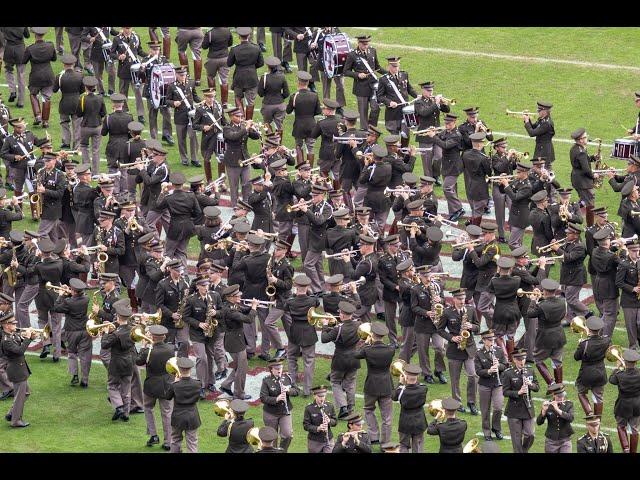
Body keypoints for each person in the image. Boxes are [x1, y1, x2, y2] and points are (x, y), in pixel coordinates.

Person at [439, 288, 480, 415]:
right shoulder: (447, 312)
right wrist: (452, 338)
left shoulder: (471, 310)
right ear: (454, 299)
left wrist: (471, 326)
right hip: (454, 350)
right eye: (460, 299)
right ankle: (457, 402)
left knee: (473, 376)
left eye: (463, 299)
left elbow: (478, 328)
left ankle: (471, 402)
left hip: (469, 349)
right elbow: (440, 329)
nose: (462, 301)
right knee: (455, 379)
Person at [354, 322, 395, 448]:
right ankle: (386, 442)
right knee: (387, 417)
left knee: (368, 410)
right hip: (387, 385)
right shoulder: (390, 350)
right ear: (383, 336)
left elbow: (356, 354)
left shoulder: (367, 350)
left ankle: (374, 436)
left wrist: (365, 342)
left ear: (372, 334)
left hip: (371, 386)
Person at [135, 324, 174, 451]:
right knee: (167, 413)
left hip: (151, 385)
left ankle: (153, 435)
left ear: (152, 336)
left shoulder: (148, 351)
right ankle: (168, 441)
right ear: (163, 336)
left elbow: (138, 361)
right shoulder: (170, 349)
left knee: (148, 408)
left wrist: (143, 346)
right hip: (167, 385)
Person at [183, 277, 221, 398]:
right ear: (198, 286)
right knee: (202, 358)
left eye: (207, 285)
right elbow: (185, 317)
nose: (206, 288)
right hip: (197, 334)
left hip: (211, 332)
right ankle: (200, 385)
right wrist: (199, 324)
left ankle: (210, 382)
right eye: (203, 286)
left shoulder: (215, 296)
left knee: (210, 357)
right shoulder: (191, 299)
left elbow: (222, 310)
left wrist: (216, 313)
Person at [155, 172, 203, 268]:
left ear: (172, 185)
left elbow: (158, 205)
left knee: (168, 253)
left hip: (175, 228)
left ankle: (164, 272)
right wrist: (189, 217)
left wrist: (162, 191)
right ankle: (183, 274)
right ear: (182, 184)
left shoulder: (169, 198)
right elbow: (198, 212)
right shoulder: (191, 195)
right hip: (188, 227)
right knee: (181, 252)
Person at [283, 274, 320, 396]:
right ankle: (307, 389)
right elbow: (316, 302)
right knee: (309, 361)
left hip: (295, 331)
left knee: (291, 357)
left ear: (295, 286)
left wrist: (294, 294)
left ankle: (293, 384)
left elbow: (285, 307)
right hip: (309, 331)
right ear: (308, 286)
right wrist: (307, 292)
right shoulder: (312, 300)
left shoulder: (290, 301)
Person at [219, 285, 257, 400]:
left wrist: (251, 307)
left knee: (240, 366)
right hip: (235, 342)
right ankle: (239, 393)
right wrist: (254, 308)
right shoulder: (230, 310)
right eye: (238, 295)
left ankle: (226, 385)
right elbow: (248, 319)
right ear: (231, 297)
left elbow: (242, 309)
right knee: (242, 369)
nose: (240, 296)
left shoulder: (232, 305)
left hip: (236, 340)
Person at [101, 301, 136, 422]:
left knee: (112, 385)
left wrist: (106, 332)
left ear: (117, 317)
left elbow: (105, 345)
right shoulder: (133, 330)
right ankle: (126, 414)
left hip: (116, 362)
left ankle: (119, 407)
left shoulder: (116, 334)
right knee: (126, 389)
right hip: (129, 361)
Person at [53, 278, 91, 387]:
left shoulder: (68, 302)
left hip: (71, 331)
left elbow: (56, 308)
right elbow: (76, 297)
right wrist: (69, 293)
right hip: (85, 330)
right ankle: (85, 380)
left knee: (72, 353)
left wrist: (61, 295)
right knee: (85, 355)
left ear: (73, 290)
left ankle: (74, 375)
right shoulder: (86, 299)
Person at [425, 113, 463, 221]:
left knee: (447, 187)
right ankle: (454, 211)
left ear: (454, 123)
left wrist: (433, 136)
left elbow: (445, 145)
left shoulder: (456, 135)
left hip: (454, 166)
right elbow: (441, 137)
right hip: (446, 165)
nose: (447, 125)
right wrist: (434, 132)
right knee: (452, 189)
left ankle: (459, 208)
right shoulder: (447, 131)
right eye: (446, 123)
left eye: (449, 123)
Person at [342, 34, 385, 130]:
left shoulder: (372, 51)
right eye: (364, 44)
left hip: (374, 86)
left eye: (367, 44)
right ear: (359, 43)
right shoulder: (352, 54)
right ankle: (365, 132)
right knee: (363, 112)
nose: (366, 46)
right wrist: (357, 75)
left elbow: (377, 67)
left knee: (376, 108)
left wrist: (388, 73)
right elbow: (346, 71)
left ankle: (372, 128)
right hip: (361, 87)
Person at [502, 348, 540, 453]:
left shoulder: (530, 370)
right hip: (514, 410)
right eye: (519, 359)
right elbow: (505, 392)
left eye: (523, 359)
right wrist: (518, 393)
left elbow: (537, 387)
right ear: (514, 360)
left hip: (528, 408)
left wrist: (530, 384)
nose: (521, 361)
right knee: (516, 439)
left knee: (530, 434)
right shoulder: (508, 373)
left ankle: (523, 451)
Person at [222, 107, 261, 207]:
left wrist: (254, 128)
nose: (240, 118)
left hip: (245, 159)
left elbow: (256, 137)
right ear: (231, 117)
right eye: (237, 116)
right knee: (234, 186)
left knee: (247, 184)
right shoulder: (227, 128)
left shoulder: (243, 126)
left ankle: (246, 203)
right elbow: (234, 137)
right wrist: (246, 128)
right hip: (233, 161)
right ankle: (235, 205)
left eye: (241, 116)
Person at [1, 312, 34, 428]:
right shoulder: (6, 340)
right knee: (20, 395)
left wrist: (31, 337)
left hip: (19, 368)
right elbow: (20, 351)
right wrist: (27, 338)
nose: (15, 325)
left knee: (25, 393)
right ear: (6, 325)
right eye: (13, 323)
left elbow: (21, 343)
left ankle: (11, 413)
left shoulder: (12, 335)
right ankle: (16, 421)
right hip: (16, 370)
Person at [414, 81, 450, 184]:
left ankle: (436, 175)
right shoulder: (418, 102)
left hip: (437, 134)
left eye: (431, 90)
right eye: (428, 90)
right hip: (425, 135)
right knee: (427, 160)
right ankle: (428, 180)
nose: (430, 92)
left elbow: (446, 110)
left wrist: (443, 103)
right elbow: (424, 113)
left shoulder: (433, 101)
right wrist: (436, 103)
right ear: (423, 90)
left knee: (439, 156)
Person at [475, 329, 508, 440]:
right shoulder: (479, 353)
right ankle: (486, 432)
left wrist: (498, 366)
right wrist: (489, 371)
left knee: (498, 407)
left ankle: (496, 428)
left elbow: (505, 365)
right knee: (485, 410)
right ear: (483, 340)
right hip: (484, 385)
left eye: (493, 339)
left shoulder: (498, 351)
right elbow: (478, 371)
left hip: (497, 384)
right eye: (489, 339)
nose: (492, 341)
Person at [260, 359, 299, 452]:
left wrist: (288, 390)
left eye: (280, 368)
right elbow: (263, 398)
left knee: (288, 435)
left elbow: (297, 391)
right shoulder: (266, 381)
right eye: (276, 368)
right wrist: (276, 399)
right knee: (272, 438)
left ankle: (282, 451)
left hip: (285, 412)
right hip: (270, 413)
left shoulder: (287, 378)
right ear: (271, 369)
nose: (279, 370)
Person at [574, 317, 609, 417]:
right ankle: (597, 424)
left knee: (581, 393)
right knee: (598, 398)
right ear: (599, 329)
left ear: (588, 329)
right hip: (600, 373)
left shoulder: (584, 344)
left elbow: (576, 357)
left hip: (586, 374)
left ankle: (589, 413)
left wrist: (579, 344)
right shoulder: (606, 341)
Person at [591, 228, 622, 339]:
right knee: (610, 315)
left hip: (599, 284)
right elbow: (623, 264)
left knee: (605, 313)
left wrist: (614, 247)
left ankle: (599, 335)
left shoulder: (595, 251)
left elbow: (606, 252)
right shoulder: (611, 257)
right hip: (609, 287)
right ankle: (605, 338)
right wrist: (623, 249)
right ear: (607, 241)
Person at [109, 27, 145, 122]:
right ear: (122, 28)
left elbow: (139, 51)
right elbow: (111, 53)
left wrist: (148, 56)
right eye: (126, 28)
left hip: (135, 71)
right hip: (124, 70)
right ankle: (124, 112)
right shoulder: (117, 39)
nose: (127, 30)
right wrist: (118, 56)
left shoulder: (136, 37)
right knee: (123, 93)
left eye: (129, 28)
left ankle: (140, 115)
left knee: (138, 94)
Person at [227, 27, 264, 119]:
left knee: (238, 98)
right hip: (252, 77)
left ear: (239, 36)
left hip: (239, 77)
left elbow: (229, 63)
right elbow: (261, 63)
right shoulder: (256, 48)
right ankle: (248, 123)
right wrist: (252, 67)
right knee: (250, 102)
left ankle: (241, 120)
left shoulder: (235, 49)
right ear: (249, 35)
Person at [167, 357, 202, 453]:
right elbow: (199, 397)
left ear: (178, 368)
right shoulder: (197, 384)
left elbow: (167, 396)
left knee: (175, 440)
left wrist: (175, 382)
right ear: (190, 369)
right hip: (192, 417)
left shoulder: (175, 385)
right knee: (192, 443)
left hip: (178, 417)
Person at [168, 66, 201, 167]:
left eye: (185, 75)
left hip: (191, 115)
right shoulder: (172, 86)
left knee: (193, 137)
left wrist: (201, 102)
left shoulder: (191, 83)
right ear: (176, 75)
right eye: (181, 75)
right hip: (180, 115)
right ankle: (184, 158)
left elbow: (194, 96)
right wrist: (174, 103)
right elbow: (167, 100)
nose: (183, 77)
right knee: (181, 138)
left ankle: (195, 158)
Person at [608, 348, 640, 453]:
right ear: (635, 362)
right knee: (634, 429)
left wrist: (617, 367)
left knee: (621, 426)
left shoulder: (620, 375)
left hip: (623, 406)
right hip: (637, 405)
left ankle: (626, 449)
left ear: (625, 361)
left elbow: (611, 380)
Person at [392, 363, 427, 453]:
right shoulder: (423, 388)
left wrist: (401, 382)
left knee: (403, 445)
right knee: (418, 445)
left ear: (405, 376)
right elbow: (417, 385)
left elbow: (394, 396)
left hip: (405, 422)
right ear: (418, 376)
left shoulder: (401, 391)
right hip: (419, 421)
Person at [193, 88, 226, 182]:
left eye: (212, 96)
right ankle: (210, 180)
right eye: (209, 97)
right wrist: (203, 127)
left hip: (219, 137)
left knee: (222, 159)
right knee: (207, 159)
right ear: (205, 97)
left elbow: (223, 120)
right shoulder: (200, 109)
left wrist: (229, 127)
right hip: (208, 138)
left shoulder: (218, 106)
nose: (211, 99)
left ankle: (221, 181)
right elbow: (194, 125)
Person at [102, 96, 133, 194]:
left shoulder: (108, 118)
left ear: (113, 104)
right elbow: (131, 133)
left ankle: (114, 192)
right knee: (124, 171)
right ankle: (124, 192)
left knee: (112, 170)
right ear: (123, 104)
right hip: (125, 146)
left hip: (112, 146)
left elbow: (103, 133)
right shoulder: (129, 117)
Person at [499, 162, 533, 250]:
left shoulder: (527, 186)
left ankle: (523, 258)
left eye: (518, 172)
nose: (516, 174)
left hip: (520, 217)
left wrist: (506, 184)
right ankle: (522, 261)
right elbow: (503, 191)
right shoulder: (517, 181)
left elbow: (514, 197)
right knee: (518, 242)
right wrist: (501, 183)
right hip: (515, 215)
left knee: (512, 243)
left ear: (525, 172)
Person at [77, 76, 106, 174]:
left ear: (86, 87)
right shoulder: (100, 97)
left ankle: (86, 170)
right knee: (96, 150)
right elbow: (103, 113)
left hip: (85, 126)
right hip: (97, 126)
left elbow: (79, 113)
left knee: (84, 147)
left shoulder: (82, 98)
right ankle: (95, 173)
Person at [461, 132, 492, 225]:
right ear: (479, 144)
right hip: (480, 188)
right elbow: (489, 173)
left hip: (470, 185)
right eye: (482, 142)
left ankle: (471, 223)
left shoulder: (465, 154)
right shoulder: (483, 158)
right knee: (478, 211)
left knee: (475, 208)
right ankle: (474, 229)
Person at [54, 54, 83, 149]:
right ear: (74, 64)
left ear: (64, 64)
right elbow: (82, 90)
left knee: (64, 123)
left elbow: (54, 90)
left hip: (64, 103)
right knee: (77, 125)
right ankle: (77, 145)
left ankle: (66, 142)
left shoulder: (60, 76)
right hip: (77, 103)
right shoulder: (80, 76)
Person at [536, 383, 575, 453]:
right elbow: (539, 422)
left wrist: (558, 410)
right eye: (559, 396)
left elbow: (571, 418)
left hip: (565, 440)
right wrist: (543, 411)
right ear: (554, 395)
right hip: (551, 441)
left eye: (563, 396)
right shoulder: (548, 405)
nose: (562, 398)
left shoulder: (569, 404)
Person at [570, 128, 597, 226]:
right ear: (580, 140)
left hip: (577, 179)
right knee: (590, 203)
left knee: (583, 200)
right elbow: (586, 169)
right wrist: (594, 175)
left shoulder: (575, 148)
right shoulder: (581, 151)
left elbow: (583, 161)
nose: (586, 139)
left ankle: (571, 210)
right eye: (585, 137)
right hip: (583, 182)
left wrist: (593, 158)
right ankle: (590, 226)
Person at [615, 241, 640, 349]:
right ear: (629, 251)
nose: (636, 253)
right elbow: (618, 282)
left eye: (638, 250)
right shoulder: (624, 264)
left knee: (639, 323)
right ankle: (633, 346)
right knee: (631, 326)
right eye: (634, 251)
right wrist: (632, 288)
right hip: (629, 300)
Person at [258, 56, 289, 140]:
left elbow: (260, 93)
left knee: (267, 124)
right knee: (279, 126)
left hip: (267, 104)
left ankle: (272, 142)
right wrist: (280, 97)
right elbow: (286, 93)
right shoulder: (282, 77)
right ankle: (278, 146)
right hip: (280, 104)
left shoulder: (264, 77)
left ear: (268, 66)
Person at [202, 27, 233, 107]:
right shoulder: (227, 30)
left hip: (212, 59)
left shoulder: (210, 33)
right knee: (224, 80)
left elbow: (204, 46)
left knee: (211, 77)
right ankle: (225, 103)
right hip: (224, 58)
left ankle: (213, 100)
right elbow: (230, 43)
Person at [303, 385, 337, 453]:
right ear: (314, 396)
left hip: (328, 439)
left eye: (323, 396)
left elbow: (335, 421)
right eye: (319, 396)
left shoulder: (329, 406)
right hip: (314, 441)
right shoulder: (309, 408)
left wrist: (329, 421)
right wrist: (318, 428)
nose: (322, 399)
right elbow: (306, 426)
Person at [1, 27, 29, 109]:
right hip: (20, 50)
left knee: (8, 70)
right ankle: (21, 101)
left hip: (8, 50)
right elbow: (27, 35)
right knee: (21, 75)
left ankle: (12, 91)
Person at [523, 101, 555, 170]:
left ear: (545, 111)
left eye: (539, 110)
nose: (538, 112)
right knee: (537, 168)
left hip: (544, 151)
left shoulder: (546, 123)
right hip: (541, 148)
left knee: (543, 169)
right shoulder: (542, 120)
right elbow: (533, 127)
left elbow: (532, 133)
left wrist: (527, 122)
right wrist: (528, 119)